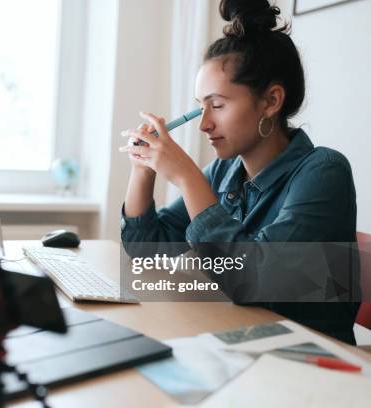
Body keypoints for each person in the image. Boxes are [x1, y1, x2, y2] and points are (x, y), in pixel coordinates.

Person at [119, 0, 360, 344]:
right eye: (200, 107)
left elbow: (254, 280)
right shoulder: (224, 171)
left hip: (308, 362)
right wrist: (142, 171)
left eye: (216, 105)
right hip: (239, 343)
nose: (204, 124)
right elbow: (147, 253)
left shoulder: (324, 172)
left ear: (271, 101)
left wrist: (187, 178)